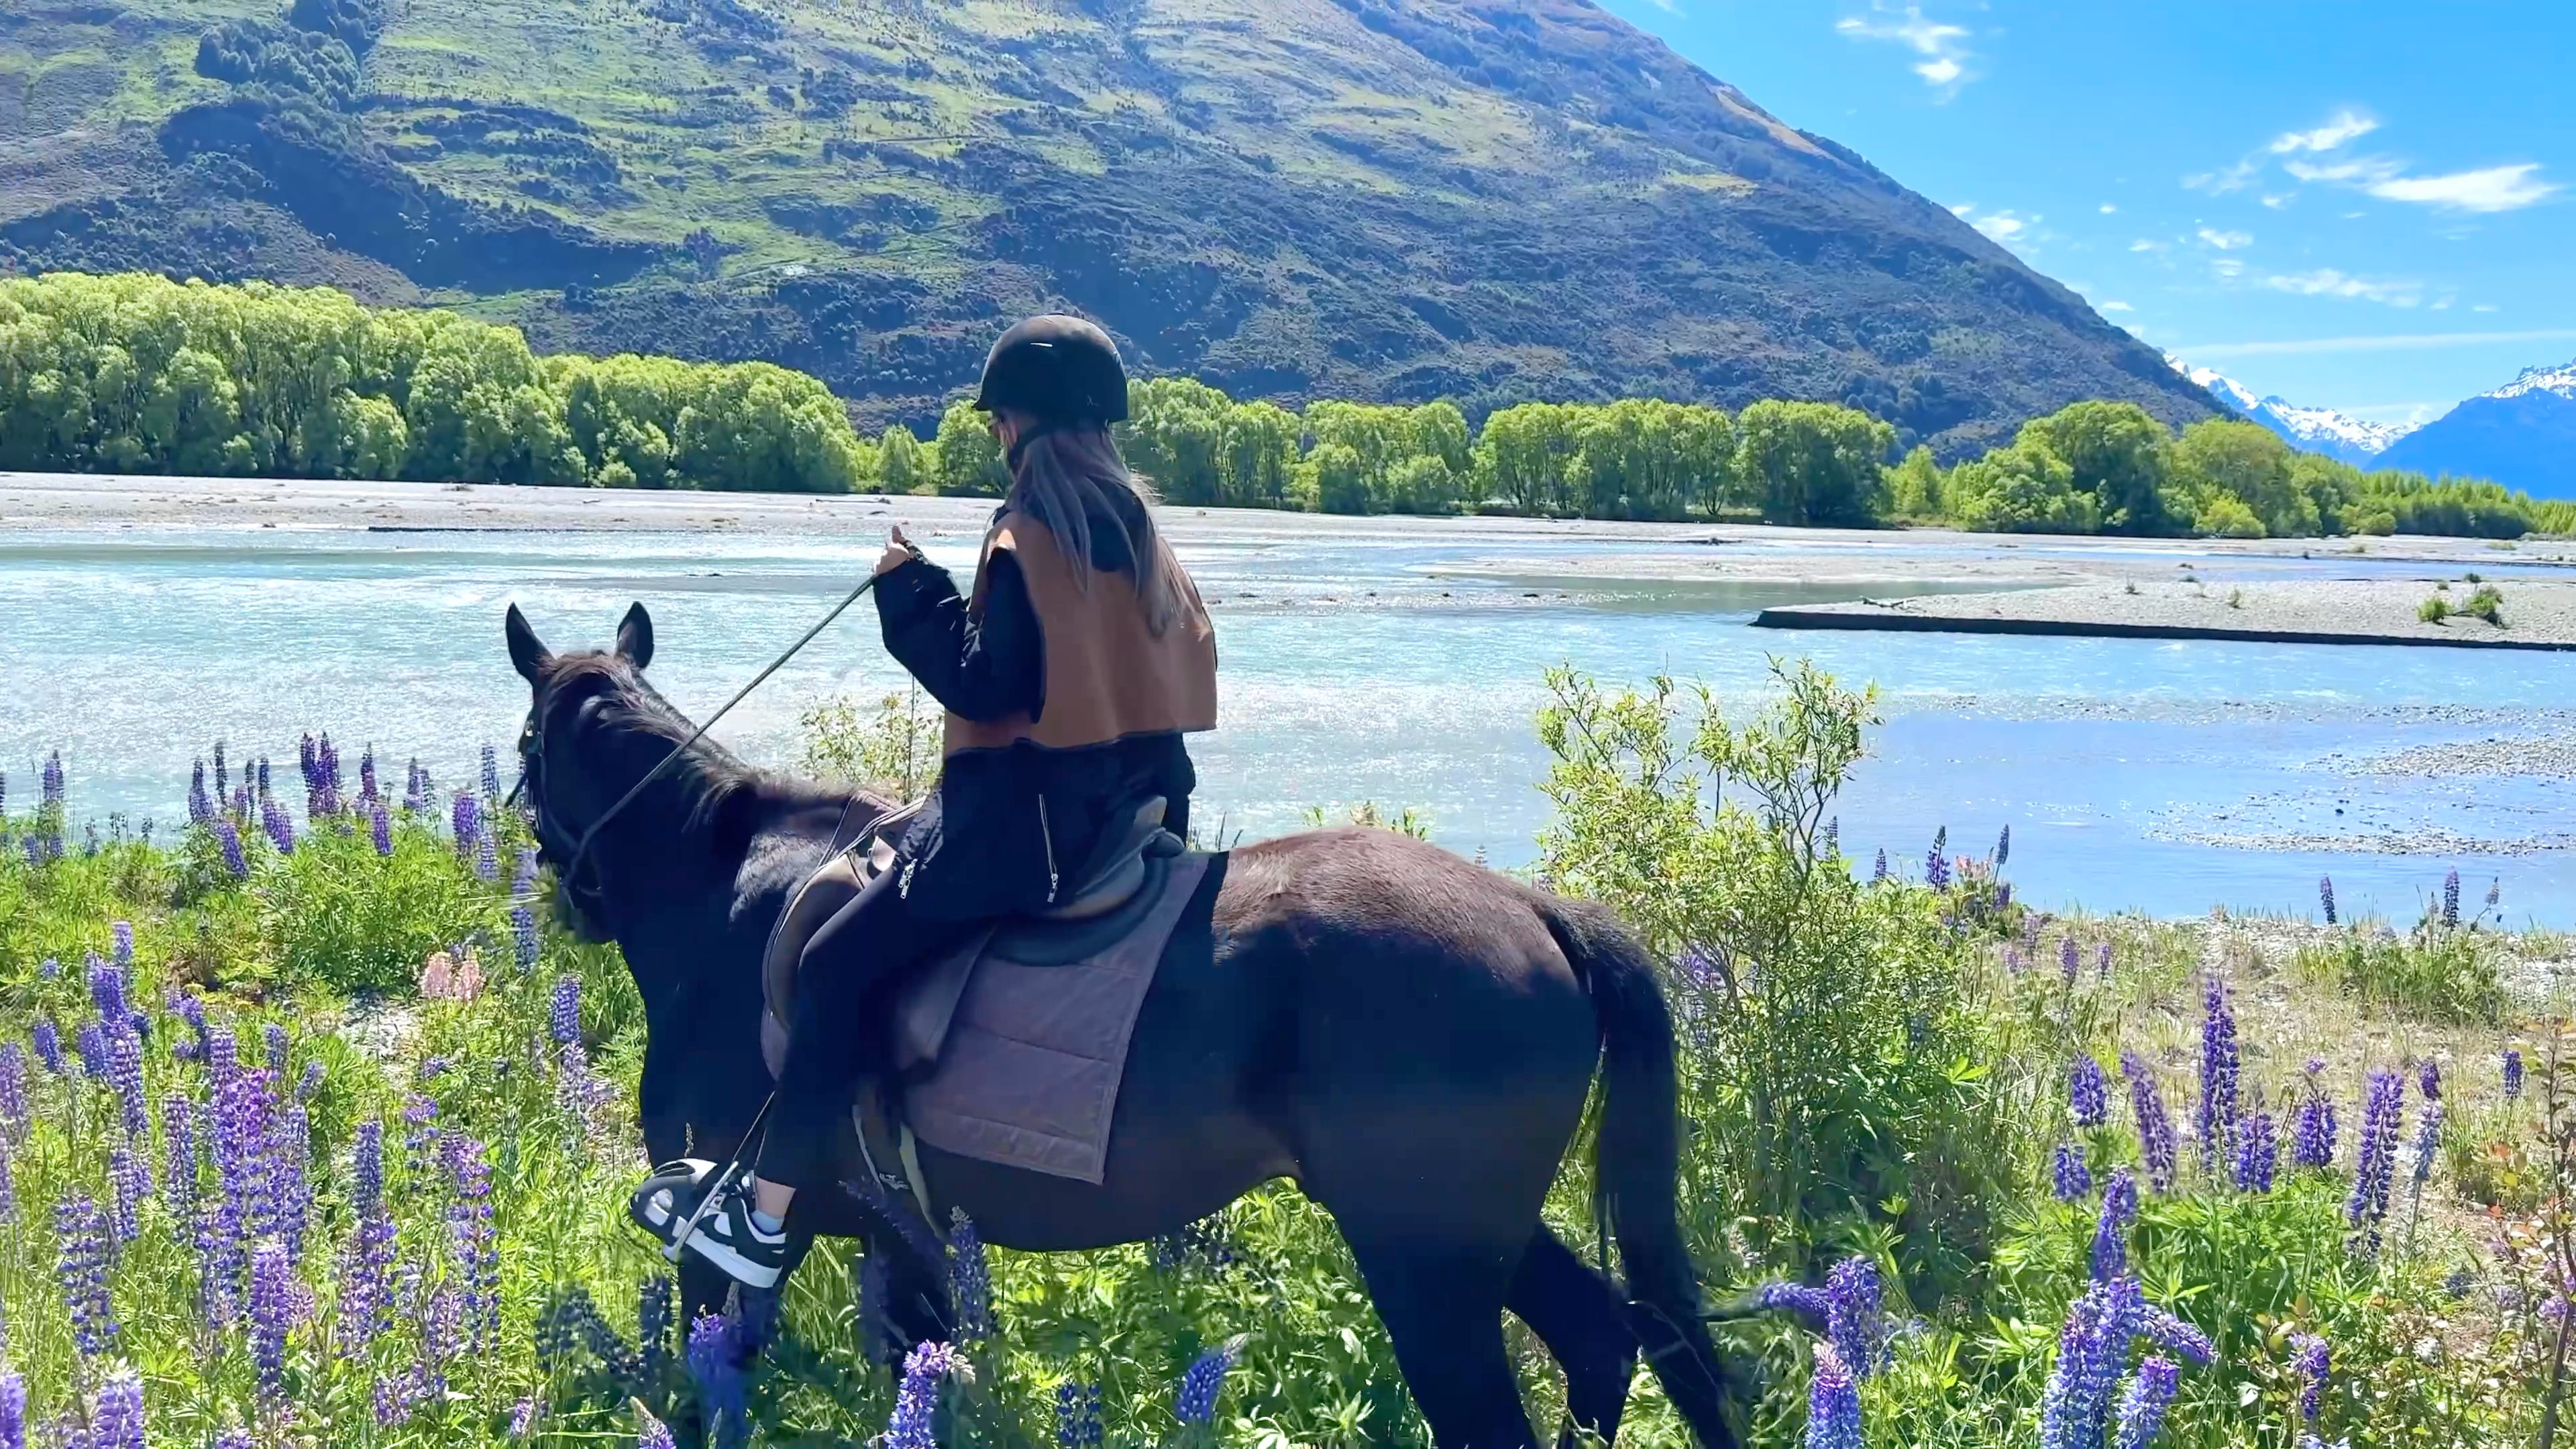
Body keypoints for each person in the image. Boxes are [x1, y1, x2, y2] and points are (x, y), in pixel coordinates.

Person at [632, 315, 1221, 1287]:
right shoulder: (1141, 535)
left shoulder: (1029, 535)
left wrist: (910, 594)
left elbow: (992, 686)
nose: (996, 436)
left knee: (833, 961)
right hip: (1140, 814)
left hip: (1028, 837)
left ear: (1025, 425)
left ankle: (766, 1218)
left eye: (1000, 421)